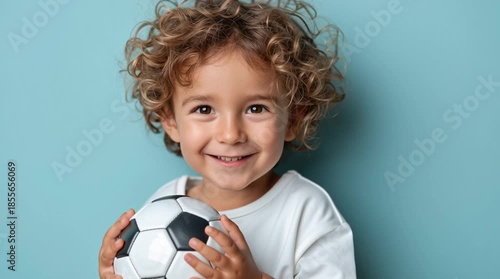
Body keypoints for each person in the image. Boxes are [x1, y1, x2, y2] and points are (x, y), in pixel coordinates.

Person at [98, 0, 356, 278]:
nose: (231, 135)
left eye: (256, 108)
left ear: (292, 119)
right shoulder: (160, 207)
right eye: (204, 109)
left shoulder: (306, 211)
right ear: (170, 121)